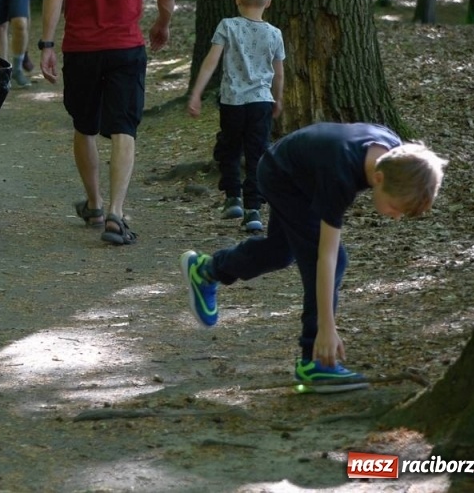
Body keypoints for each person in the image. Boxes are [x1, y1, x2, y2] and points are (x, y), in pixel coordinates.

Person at [182, 123, 446, 393]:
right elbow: (326, 257)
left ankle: (207, 269)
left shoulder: (396, 156)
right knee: (332, 258)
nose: (396, 216)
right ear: (378, 179)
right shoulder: (340, 175)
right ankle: (315, 361)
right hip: (281, 175)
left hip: (300, 171)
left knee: (279, 252)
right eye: (394, 207)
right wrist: (327, 328)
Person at [37, 0, 175, 246]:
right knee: (123, 128)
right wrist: (161, 25)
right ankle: (116, 211)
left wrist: (47, 43)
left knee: (84, 125)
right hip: (126, 47)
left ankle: (95, 204)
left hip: (81, 48)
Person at [186, 0, 285, 231]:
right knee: (257, 152)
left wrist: (196, 92)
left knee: (229, 147)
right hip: (261, 101)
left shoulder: (227, 26)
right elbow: (279, 71)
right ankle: (253, 210)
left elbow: (211, 62)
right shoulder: (274, 34)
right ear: (269, 1)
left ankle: (232, 196)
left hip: (232, 101)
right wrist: (278, 98)